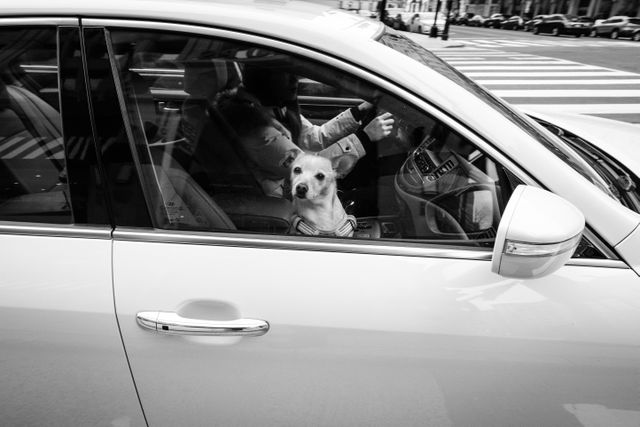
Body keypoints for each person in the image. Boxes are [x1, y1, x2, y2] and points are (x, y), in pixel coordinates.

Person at [218, 65, 394, 197]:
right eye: (286, 74)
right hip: (284, 201)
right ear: (264, 79)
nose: (295, 80)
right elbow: (308, 170)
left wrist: (358, 112)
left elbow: (315, 136)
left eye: (295, 74)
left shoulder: (272, 108)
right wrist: (364, 138)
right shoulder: (255, 128)